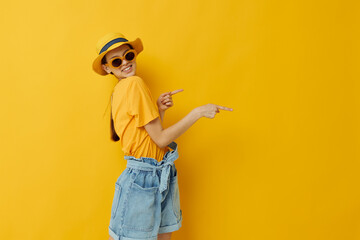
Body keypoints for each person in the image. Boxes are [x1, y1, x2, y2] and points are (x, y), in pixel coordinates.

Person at [92, 33, 233, 240]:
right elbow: (162, 139)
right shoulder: (134, 84)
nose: (125, 63)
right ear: (107, 68)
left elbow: (148, 138)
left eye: (128, 55)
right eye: (116, 61)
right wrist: (198, 112)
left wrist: (159, 111)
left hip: (155, 173)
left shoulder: (120, 90)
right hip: (145, 177)